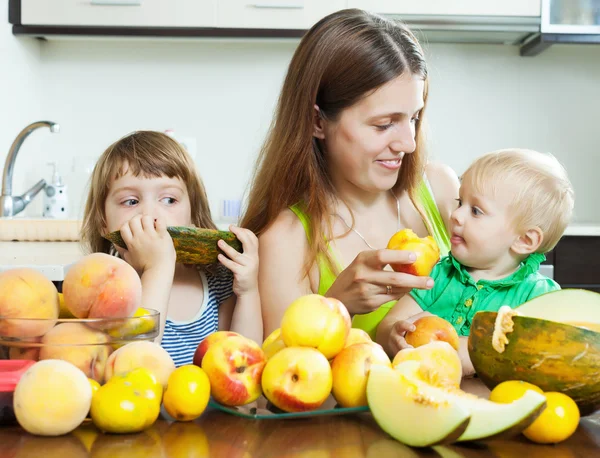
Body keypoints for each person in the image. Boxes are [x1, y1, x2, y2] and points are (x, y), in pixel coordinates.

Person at [239, 8, 460, 339]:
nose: (408, 144)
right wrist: (336, 305)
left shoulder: (439, 189)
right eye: (384, 124)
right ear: (317, 122)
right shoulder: (285, 242)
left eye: (414, 118)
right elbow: (283, 373)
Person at [377, 148, 575, 375]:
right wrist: (393, 334)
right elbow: (389, 323)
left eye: (476, 211)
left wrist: (469, 352)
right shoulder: (440, 274)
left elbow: (541, 359)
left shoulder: (539, 297)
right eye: (460, 202)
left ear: (524, 240)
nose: (456, 215)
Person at [80, 131, 262, 366]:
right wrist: (158, 266)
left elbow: (245, 361)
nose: (150, 214)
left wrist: (248, 292)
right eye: (131, 201)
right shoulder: (104, 290)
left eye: (169, 200)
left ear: (192, 215)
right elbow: (135, 364)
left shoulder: (218, 282)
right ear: (103, 222)